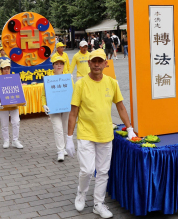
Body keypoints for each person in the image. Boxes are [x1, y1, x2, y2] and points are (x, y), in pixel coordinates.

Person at [65, 49, 135, 218]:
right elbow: (73, 112)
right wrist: (68, 138)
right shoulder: (81, 84)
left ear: (105, 63)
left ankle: (98, 203)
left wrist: (130, 128)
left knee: (103, 171)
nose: (96, 64)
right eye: (93, 61)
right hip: (86, 134)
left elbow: (120, 107)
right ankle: (81, 193)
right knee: (87, 170)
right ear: (88, 63)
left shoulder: (112, 83)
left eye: (100, 61)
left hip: (105, 134)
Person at [42, 56, 72, 161]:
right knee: (58, 128)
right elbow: (43, 95)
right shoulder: (49, 79)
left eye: (61, 63)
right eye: (56, 63)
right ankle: (60, 151)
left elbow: (73, 93)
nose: (59, 65)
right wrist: (44, 104)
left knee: (64, 128)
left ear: (64, 65)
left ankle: (63, 148)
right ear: (53, 66)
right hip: (53, 108)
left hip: (65, 107)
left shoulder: (68, 78)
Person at [0, 60, 23, 149]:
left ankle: (15, 140)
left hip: (14, 105)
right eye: (4, 69)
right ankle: (6, 140)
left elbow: (20, 90)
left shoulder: (14, 78)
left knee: (16, 122)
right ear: (1, 70)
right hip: (3, 106)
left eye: (8, 68)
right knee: (4, 124)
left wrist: (22, 100)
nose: (6, 70)